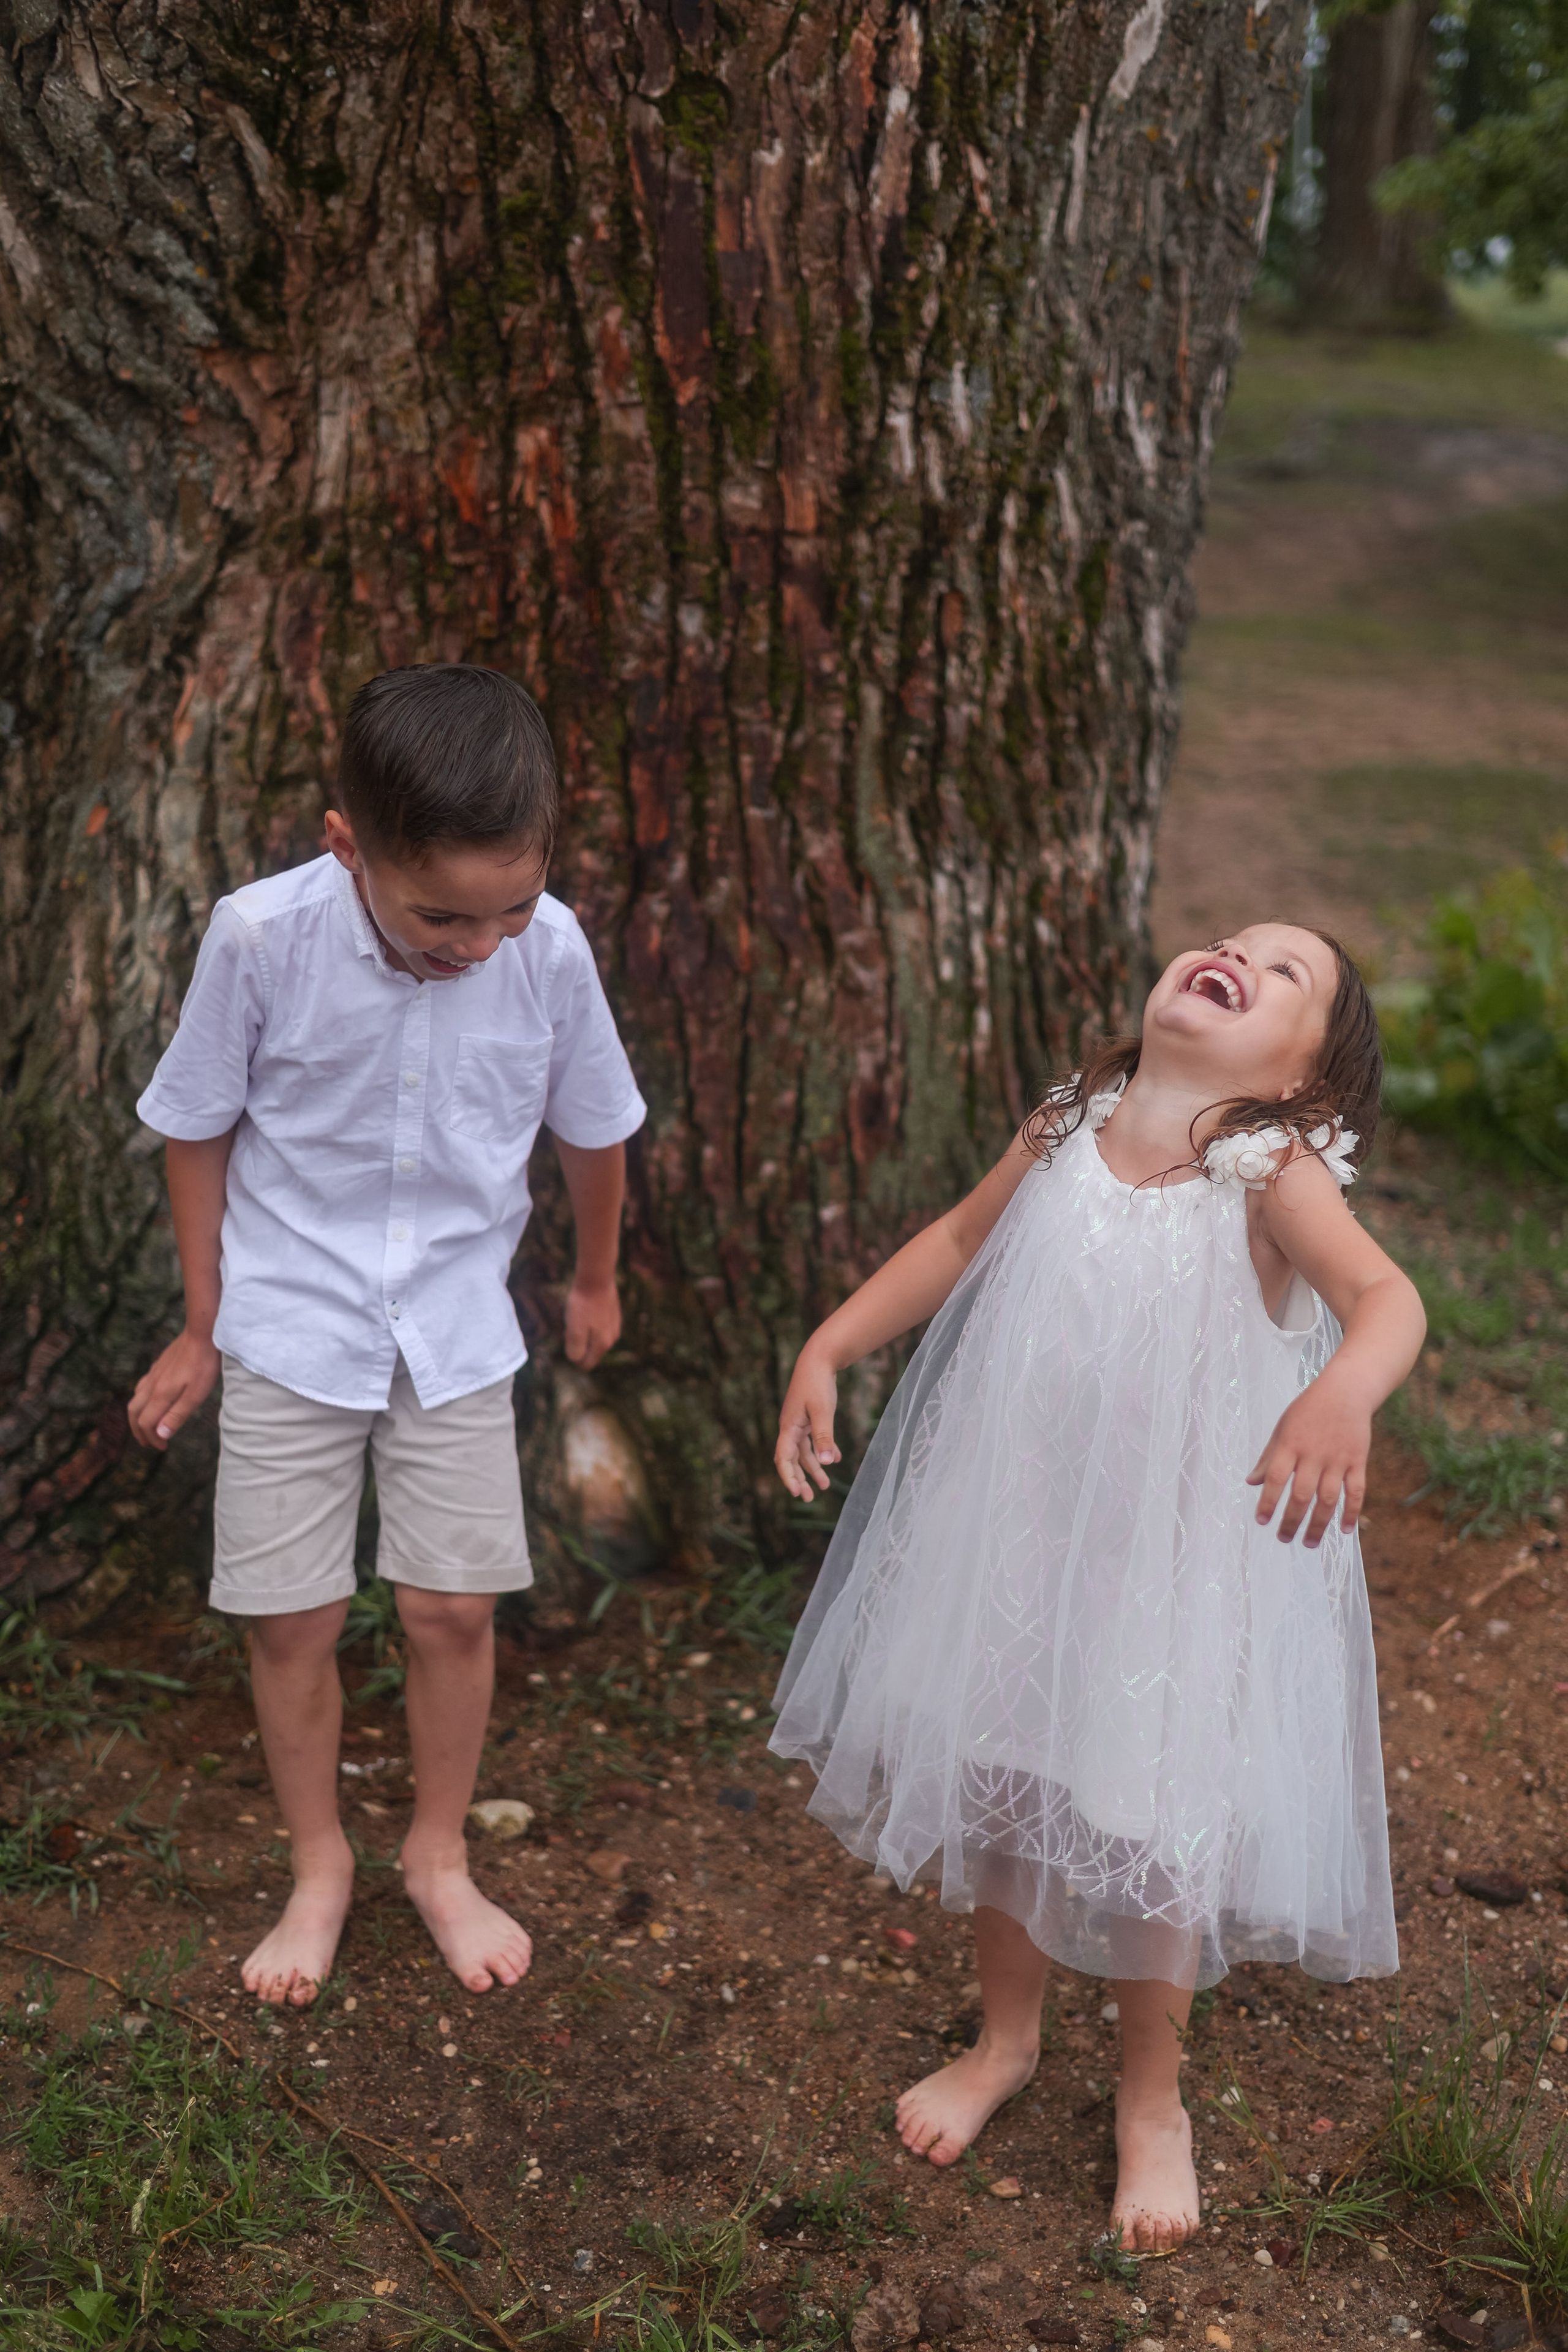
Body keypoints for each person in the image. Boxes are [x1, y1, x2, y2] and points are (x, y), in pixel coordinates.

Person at [769, 924, 1424, 2251]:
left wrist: (1342, 1388)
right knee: (1005, 1774)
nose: (1236, 953)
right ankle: (1003, 2040)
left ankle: (1150, 2099)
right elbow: (959, 1236)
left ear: (1305, 1080)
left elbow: (1385, 1296)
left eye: (1282, 972)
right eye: (1232, 940)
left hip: (1167, 1560)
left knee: (1147, 1814)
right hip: (1015, 1529)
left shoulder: (1265, 1167)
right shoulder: (1072, 1114)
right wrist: (832, 1339)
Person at [128, 665, 645, 2008]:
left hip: (458, 1332)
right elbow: (198, 1128)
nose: (478, 945)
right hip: (289, 1323)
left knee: (453, 1606)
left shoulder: (553, 949)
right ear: (344, 841)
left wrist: (594, 1278)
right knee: (291, 1618)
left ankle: (434, 1853)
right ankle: (320, 1863)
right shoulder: (259, 939)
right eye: (438, 916)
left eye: (507, 910)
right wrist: (200, 1326)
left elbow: (593, 1128)